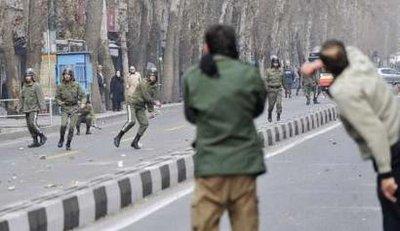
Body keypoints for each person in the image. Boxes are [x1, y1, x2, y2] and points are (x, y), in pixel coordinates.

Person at [301, 40, 400, 231]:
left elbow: (376, 132)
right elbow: (347, 51)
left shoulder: (344, 91)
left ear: (328, 67)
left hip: (392, 150)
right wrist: (319, 63)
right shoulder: (358, 60)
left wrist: (386, 173)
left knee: (393, 212)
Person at [183, 24, 267, 231]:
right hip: (244, 165)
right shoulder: (249, 74)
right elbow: (256, 110)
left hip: (210, 166)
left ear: (207, 48)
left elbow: (191, 116)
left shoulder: (193, 76)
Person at [113, 68, 160, 149]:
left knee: (145, 124)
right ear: (148, 75)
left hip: (141, 106)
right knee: (131, 121)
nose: (153, 78)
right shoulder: (143, 83)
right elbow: (146, 96)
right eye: (151, 76)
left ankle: (135, 141)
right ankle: (118, 137)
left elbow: (150, 97)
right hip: (132, 103)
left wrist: (151, 111)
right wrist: (155, 102)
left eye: (154, 76)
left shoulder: (154, 86)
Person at [56, 68, 85, 151]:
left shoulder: (76, 85)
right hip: (65, 107)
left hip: (74, 108)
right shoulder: (60, 86)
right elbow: (57, 97)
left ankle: (68, 143)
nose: (67, 76)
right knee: (63, 125)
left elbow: (83, 96)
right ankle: (61, 139)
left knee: (72, 127)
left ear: (71, 76)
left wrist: (83, 103)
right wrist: (59, 102)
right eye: (65, 74)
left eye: (68, 75)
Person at [19, 68, 47, 148]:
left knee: (33, 124)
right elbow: (22, 98)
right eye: (26, 76)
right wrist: (19, 107)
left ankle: (42, 135)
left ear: (32, 77)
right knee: (29, 126)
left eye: (29, 76)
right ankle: (35, 141)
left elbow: (40, 97)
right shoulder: (24, 86)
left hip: (34, 108)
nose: (27, 77)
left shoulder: (36, 85)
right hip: (26, 108)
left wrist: (43, 108)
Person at [264, 56, 283, 122]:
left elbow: (283, 80)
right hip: (271, 90)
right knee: (271, 105)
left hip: (279, 89)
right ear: (272, 63)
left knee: (279, 103)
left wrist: (286, 88)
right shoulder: (268, 71)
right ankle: (269, 114)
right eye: (274, 62)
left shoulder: (280, 70)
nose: (276, 64)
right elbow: (266, 80)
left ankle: (278, 115)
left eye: (277, 62)